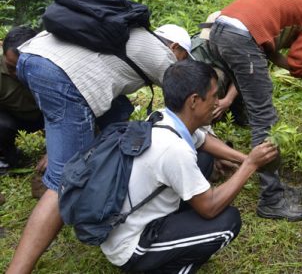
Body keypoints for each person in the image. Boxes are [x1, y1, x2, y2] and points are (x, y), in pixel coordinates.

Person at [7, 23, 186, 273]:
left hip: (34, 58)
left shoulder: (121, 31)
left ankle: (105, 182)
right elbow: (189, 105)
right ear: (176, 49)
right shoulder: (160, 55)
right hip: (60, 75)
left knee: (119, 111)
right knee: (63, 180)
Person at [101, 59, 277, 273]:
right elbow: (210, 208)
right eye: (213, 96)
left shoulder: (163, 118)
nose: (217, 102)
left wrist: (243, 158)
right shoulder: (173, 149)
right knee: (227, 222)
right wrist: (249, 165)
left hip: (123, 222)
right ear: (194, 100)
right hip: (131, 246)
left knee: (204, 159)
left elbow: (201, 139)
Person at [209, 0, 302, 222]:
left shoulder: (295, 5)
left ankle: (264, 178)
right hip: (240, 38)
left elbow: (272, 55)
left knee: (252, 109)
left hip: (219, 31)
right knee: (265, 119)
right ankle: (271, 200)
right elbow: (300, 64)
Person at [191, 11, 248, 126]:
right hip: (213, 87)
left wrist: (228, 100)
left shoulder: (241, 45)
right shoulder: (196, 51)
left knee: (249, 117)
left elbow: (245, 72)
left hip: (236, 83)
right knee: (215, 76)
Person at [0, 26, 42, 171]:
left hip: (46, 115)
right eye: (11, 68)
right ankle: (7, 156)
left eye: (23, 67)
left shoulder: (51, 66)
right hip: (13, 117)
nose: (18, 74)